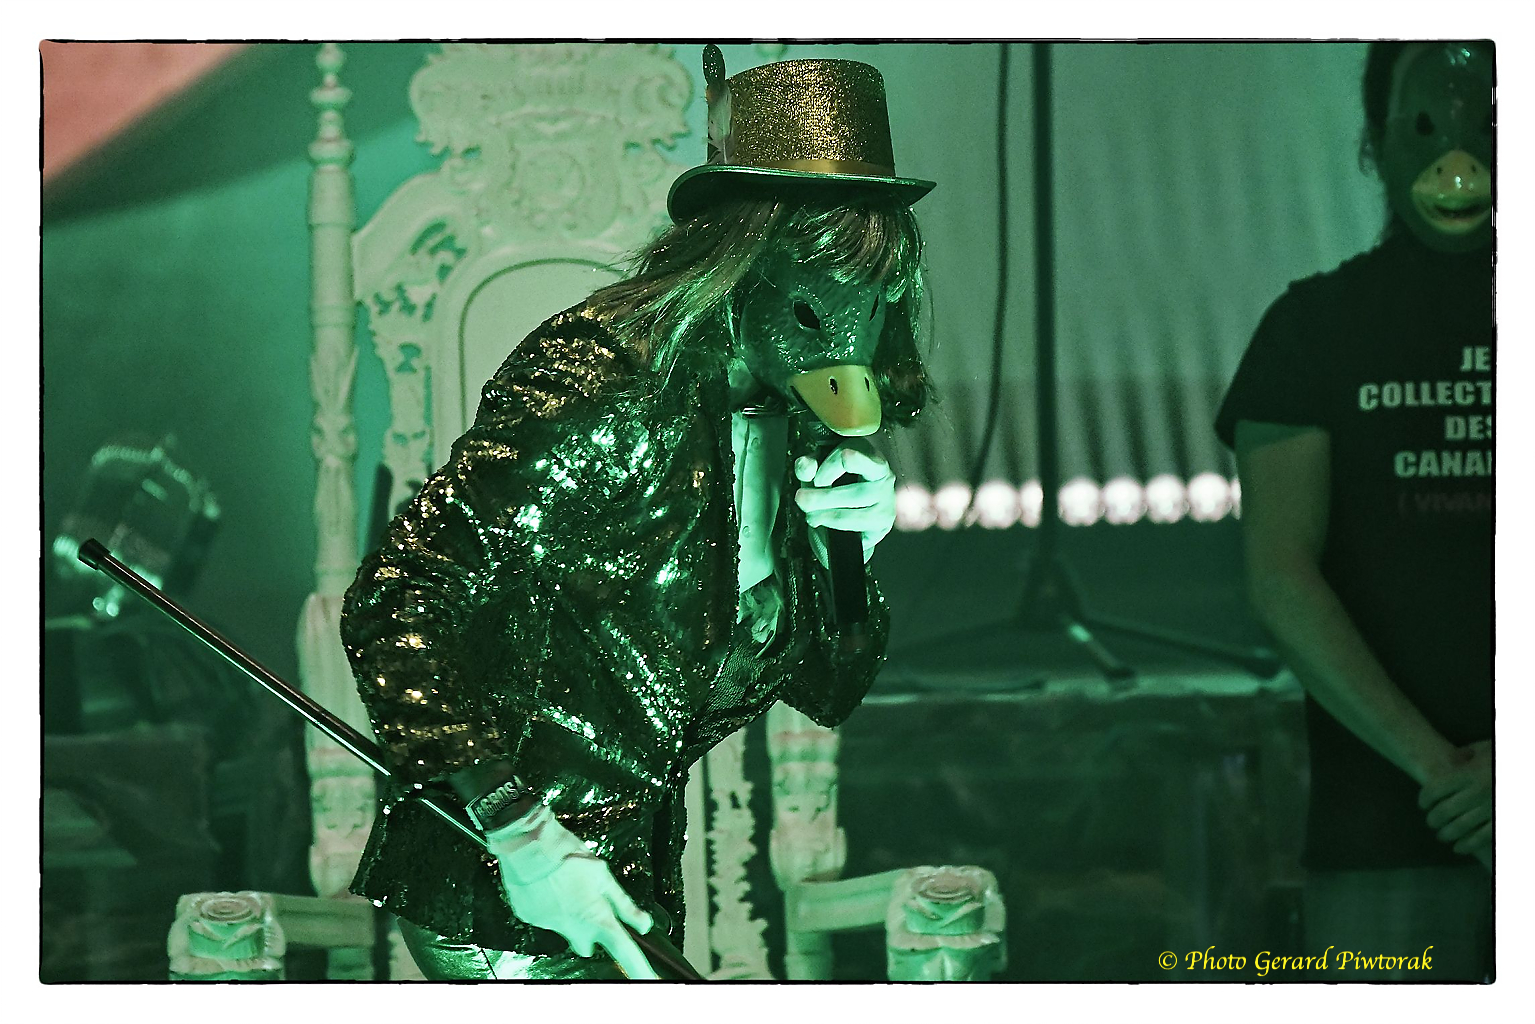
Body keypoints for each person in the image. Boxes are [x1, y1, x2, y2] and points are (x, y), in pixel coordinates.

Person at [339, 47, 936, 980]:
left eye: (872, 292)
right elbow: (399, 596)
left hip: (629, 888)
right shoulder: (603, 383)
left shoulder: (790, 413)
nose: (847, 334)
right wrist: (516, 827)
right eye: (821, 287)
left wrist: (847, 547)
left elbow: (828, 690)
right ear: (744, 258)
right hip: (504, 896)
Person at [1216, 42, 1493, 981]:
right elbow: (1279, 578)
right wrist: (1449, 776)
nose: (1458, 162)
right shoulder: (1311, 330)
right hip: (1384, 832)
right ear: (1375, 143)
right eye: (1424, 128)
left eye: (1489, 125)